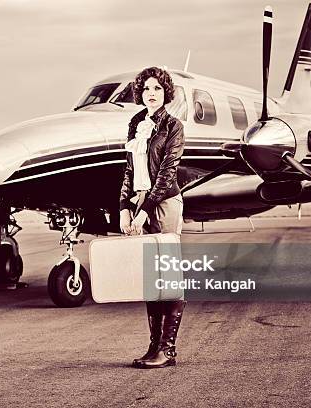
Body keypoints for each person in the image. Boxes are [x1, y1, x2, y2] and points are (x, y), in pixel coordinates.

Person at [119, 66, 186, 369]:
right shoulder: (136, 124)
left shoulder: (173, 126)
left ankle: (167, 350)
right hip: (139, 202)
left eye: (157, 88)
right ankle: (153, 346)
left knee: (168, 274)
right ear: (140, 93)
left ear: (166, 92)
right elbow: (130, 170)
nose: (151, 94)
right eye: (146, 89)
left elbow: (167, 173)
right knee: (151, 278)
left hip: (165, 203)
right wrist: (123, 206)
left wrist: (145, 211)